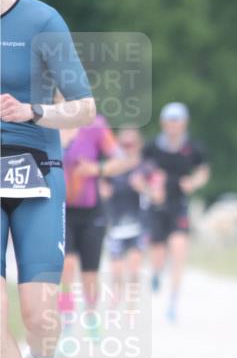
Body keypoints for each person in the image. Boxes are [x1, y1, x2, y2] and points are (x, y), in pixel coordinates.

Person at [0, 0, 96, 358]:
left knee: (38, 314)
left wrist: (34, 111)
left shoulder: (40, 20)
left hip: (36, 170)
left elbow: (84, 107)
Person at [60, 116, 132, 340]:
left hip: (92, 212)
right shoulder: (45, 122)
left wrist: (97, 168)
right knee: (67, 267)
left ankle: (91, 316)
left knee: (90, 274)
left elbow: (121, 160)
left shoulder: (95, 126)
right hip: (59, 211)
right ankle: (66, 321)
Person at [142, 102, 210, 321]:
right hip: (156, 206)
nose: (173, 125)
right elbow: (138, 175)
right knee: (159, 254)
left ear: (184, 123)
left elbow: (203, 171)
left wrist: (193, 182)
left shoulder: (192, 147)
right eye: (170, 120)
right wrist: (151, 190)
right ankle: (157, 272)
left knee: (179, 249)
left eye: (177, 120)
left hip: (178, 204)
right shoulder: (152, 147)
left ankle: (173, 302)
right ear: (163, 122)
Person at [98, 127, 145, 303]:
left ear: (138, 146)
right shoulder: (111, 167)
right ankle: (115, 302)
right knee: (117, 270)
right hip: (115, 225)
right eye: (123, 144)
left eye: (131, 144)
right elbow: (99, 188)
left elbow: (158, 195)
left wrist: (144, 188)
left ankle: (132, 303)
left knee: (134, 268)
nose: (127, 148)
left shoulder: (145, 167)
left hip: (138, 225)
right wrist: (102, 191)